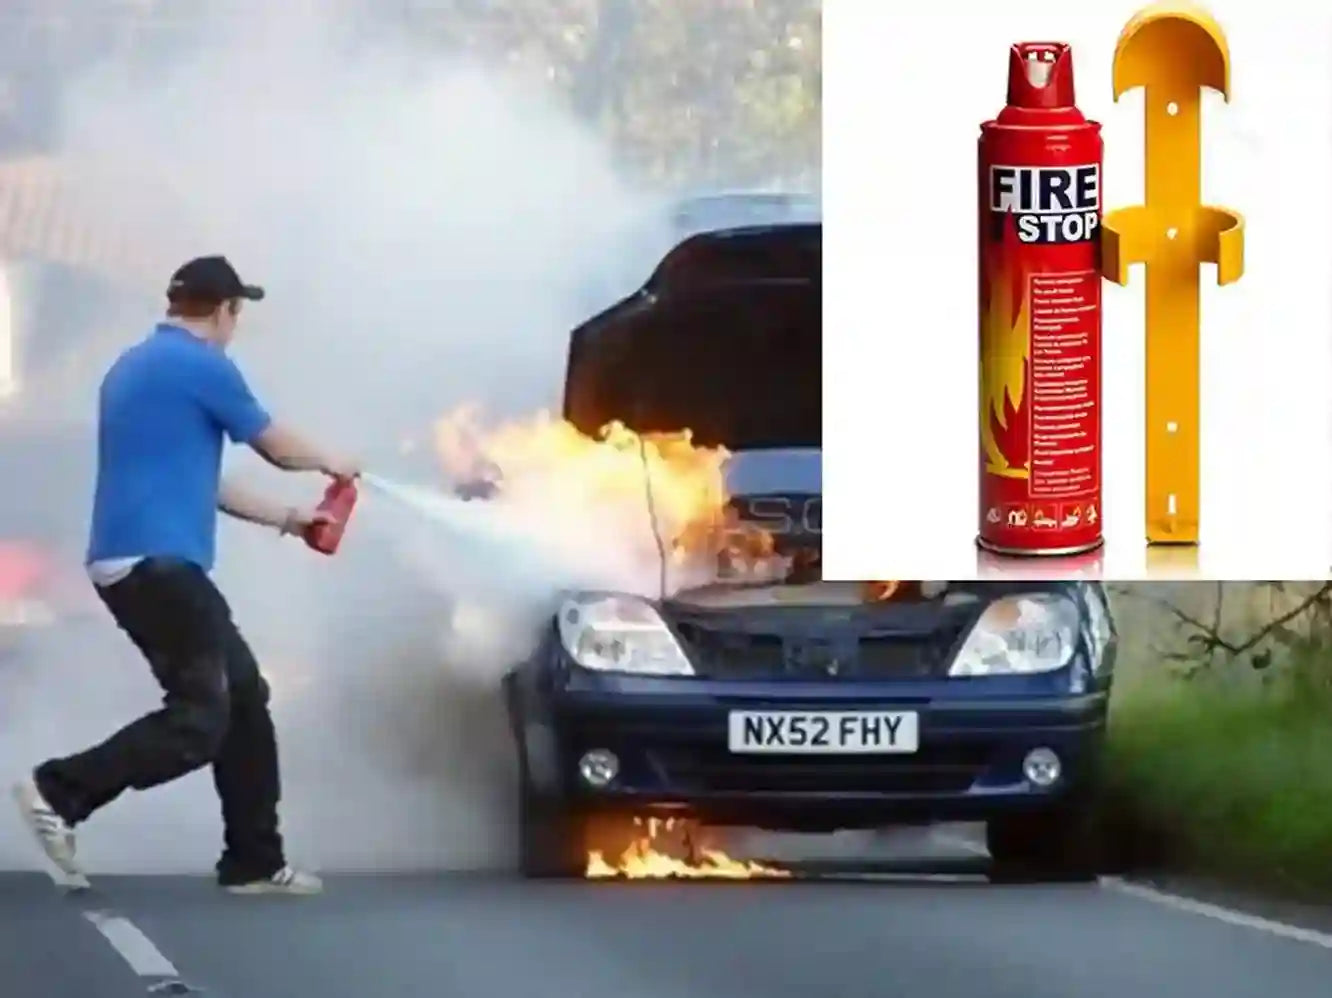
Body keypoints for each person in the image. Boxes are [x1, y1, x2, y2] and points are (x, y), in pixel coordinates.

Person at [11, 255, 359, 895]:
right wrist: (336, 461)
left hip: (136, 562)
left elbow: (206, 483)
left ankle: (253, 860)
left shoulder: (135, 366)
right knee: (202, 718)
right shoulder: (203, 365)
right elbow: (280, 449)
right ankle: (59, 791)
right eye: (237, 312)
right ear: (226, 311)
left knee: (245, 698)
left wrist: (290, 519)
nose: (237, 324)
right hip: (158, 564)